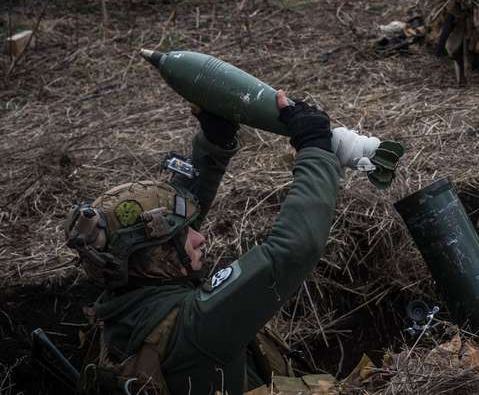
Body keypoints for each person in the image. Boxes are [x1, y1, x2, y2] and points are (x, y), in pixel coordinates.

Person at [63, 91, 341, 394]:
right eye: (183, 237)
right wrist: (314, 149)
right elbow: (294, 248)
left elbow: (164, 227)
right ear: (151, 257)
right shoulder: (196, 325)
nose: (200, 237)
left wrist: (214, 143)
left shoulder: (122, 304)